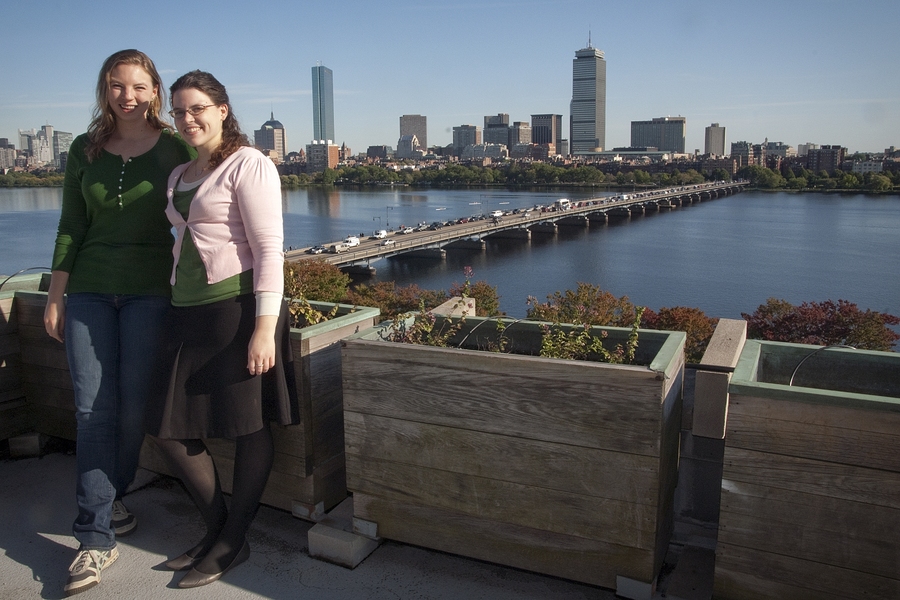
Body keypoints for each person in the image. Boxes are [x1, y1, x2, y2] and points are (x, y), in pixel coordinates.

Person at [43, 49, 195, 596]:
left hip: (151, 293)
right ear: (104, 90)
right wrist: (57, 295)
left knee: (133, 408)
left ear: (154, 91)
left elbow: (209, 210)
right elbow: (70, 225)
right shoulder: (85, 151)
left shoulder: (177, 148)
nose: (126, 96)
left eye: (137, 86)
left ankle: (114, 493)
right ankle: (95, 538)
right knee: (91, 412)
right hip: (87, 290)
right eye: (115, 86)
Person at [145, 70, 298, 589]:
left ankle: (230, 542)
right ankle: (220, 530)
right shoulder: (181, 173)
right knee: (166, 427)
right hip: (185, 310)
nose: (187, 119)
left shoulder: (249, 163)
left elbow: (269, 251)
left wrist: (263, 328)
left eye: (198, 108)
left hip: (236, 310)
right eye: (179, 110)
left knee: (249, 424)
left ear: (222, 109)